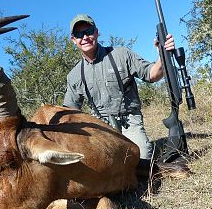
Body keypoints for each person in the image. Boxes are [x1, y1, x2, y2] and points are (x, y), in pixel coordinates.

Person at [63, 14, 176, 169]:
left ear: (96, 32)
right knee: (100, 167)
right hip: (100, 128)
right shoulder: (74, 75)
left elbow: (152, 74)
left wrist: (162, 54)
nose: (85, 37)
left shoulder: (121, 54)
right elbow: (69, 113)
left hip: (129, 121)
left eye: (88, 31)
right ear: (73, 40)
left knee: (140, 161)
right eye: (79, 34)